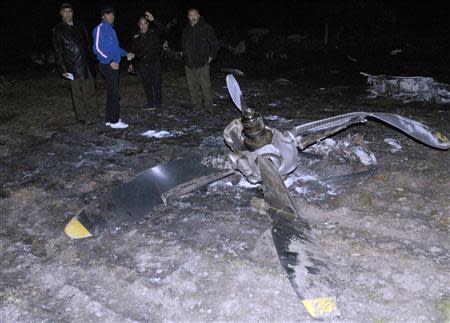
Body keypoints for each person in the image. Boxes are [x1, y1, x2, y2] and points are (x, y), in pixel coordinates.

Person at [52, 2, 97, 123]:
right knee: (77, 93)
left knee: (90, 89)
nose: (68, 14)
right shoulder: (58, 30)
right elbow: (58, 52)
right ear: (61, 13)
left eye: (70, 11)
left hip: (86, 63)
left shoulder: (80, 25)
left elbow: (88, 44)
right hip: (72, 66)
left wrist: (93, 59)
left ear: (73, 12)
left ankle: (93, 113)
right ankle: (82, 117)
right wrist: (63, 70)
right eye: (65, 12)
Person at [92, 5, 134, 129]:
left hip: (114, 65)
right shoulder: (100, 28)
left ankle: (109, 119)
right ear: (103, 16)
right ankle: (115, 121)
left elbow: (115, 49)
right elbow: (97, 49)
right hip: (107, 65)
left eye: (113, 14)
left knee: (112, 92)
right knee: (114, 93)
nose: (111, 16)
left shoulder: (111, 29)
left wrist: (126, 53)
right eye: (108, 14)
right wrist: (110, 61)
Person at [181, 8, 219, 112]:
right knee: (193, 87)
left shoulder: (206, 27)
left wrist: (212, 56)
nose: (192, 17)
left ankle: (209, 107)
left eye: (194, 15)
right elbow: (183, 44)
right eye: (190, 15)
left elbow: (214, 43)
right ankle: (196, 106)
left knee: (205, 86)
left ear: (198, 15)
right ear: (188, 17)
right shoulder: (186, 29)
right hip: (189, 63)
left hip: (202, 62)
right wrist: (184, 55)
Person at [128, 12, 165, 111]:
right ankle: (150, 103)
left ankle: (158, 104)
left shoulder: (154, 32)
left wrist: (154, 20)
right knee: (147, 83)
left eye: (145, 23)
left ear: (148, 24)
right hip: (142, 63)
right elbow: (133, 50)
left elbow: (163, 29)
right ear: (138, 24)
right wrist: (131, 63)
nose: (143, 26)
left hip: (155, 62)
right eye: (141, 24)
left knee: (157, 83)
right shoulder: (136, 36)